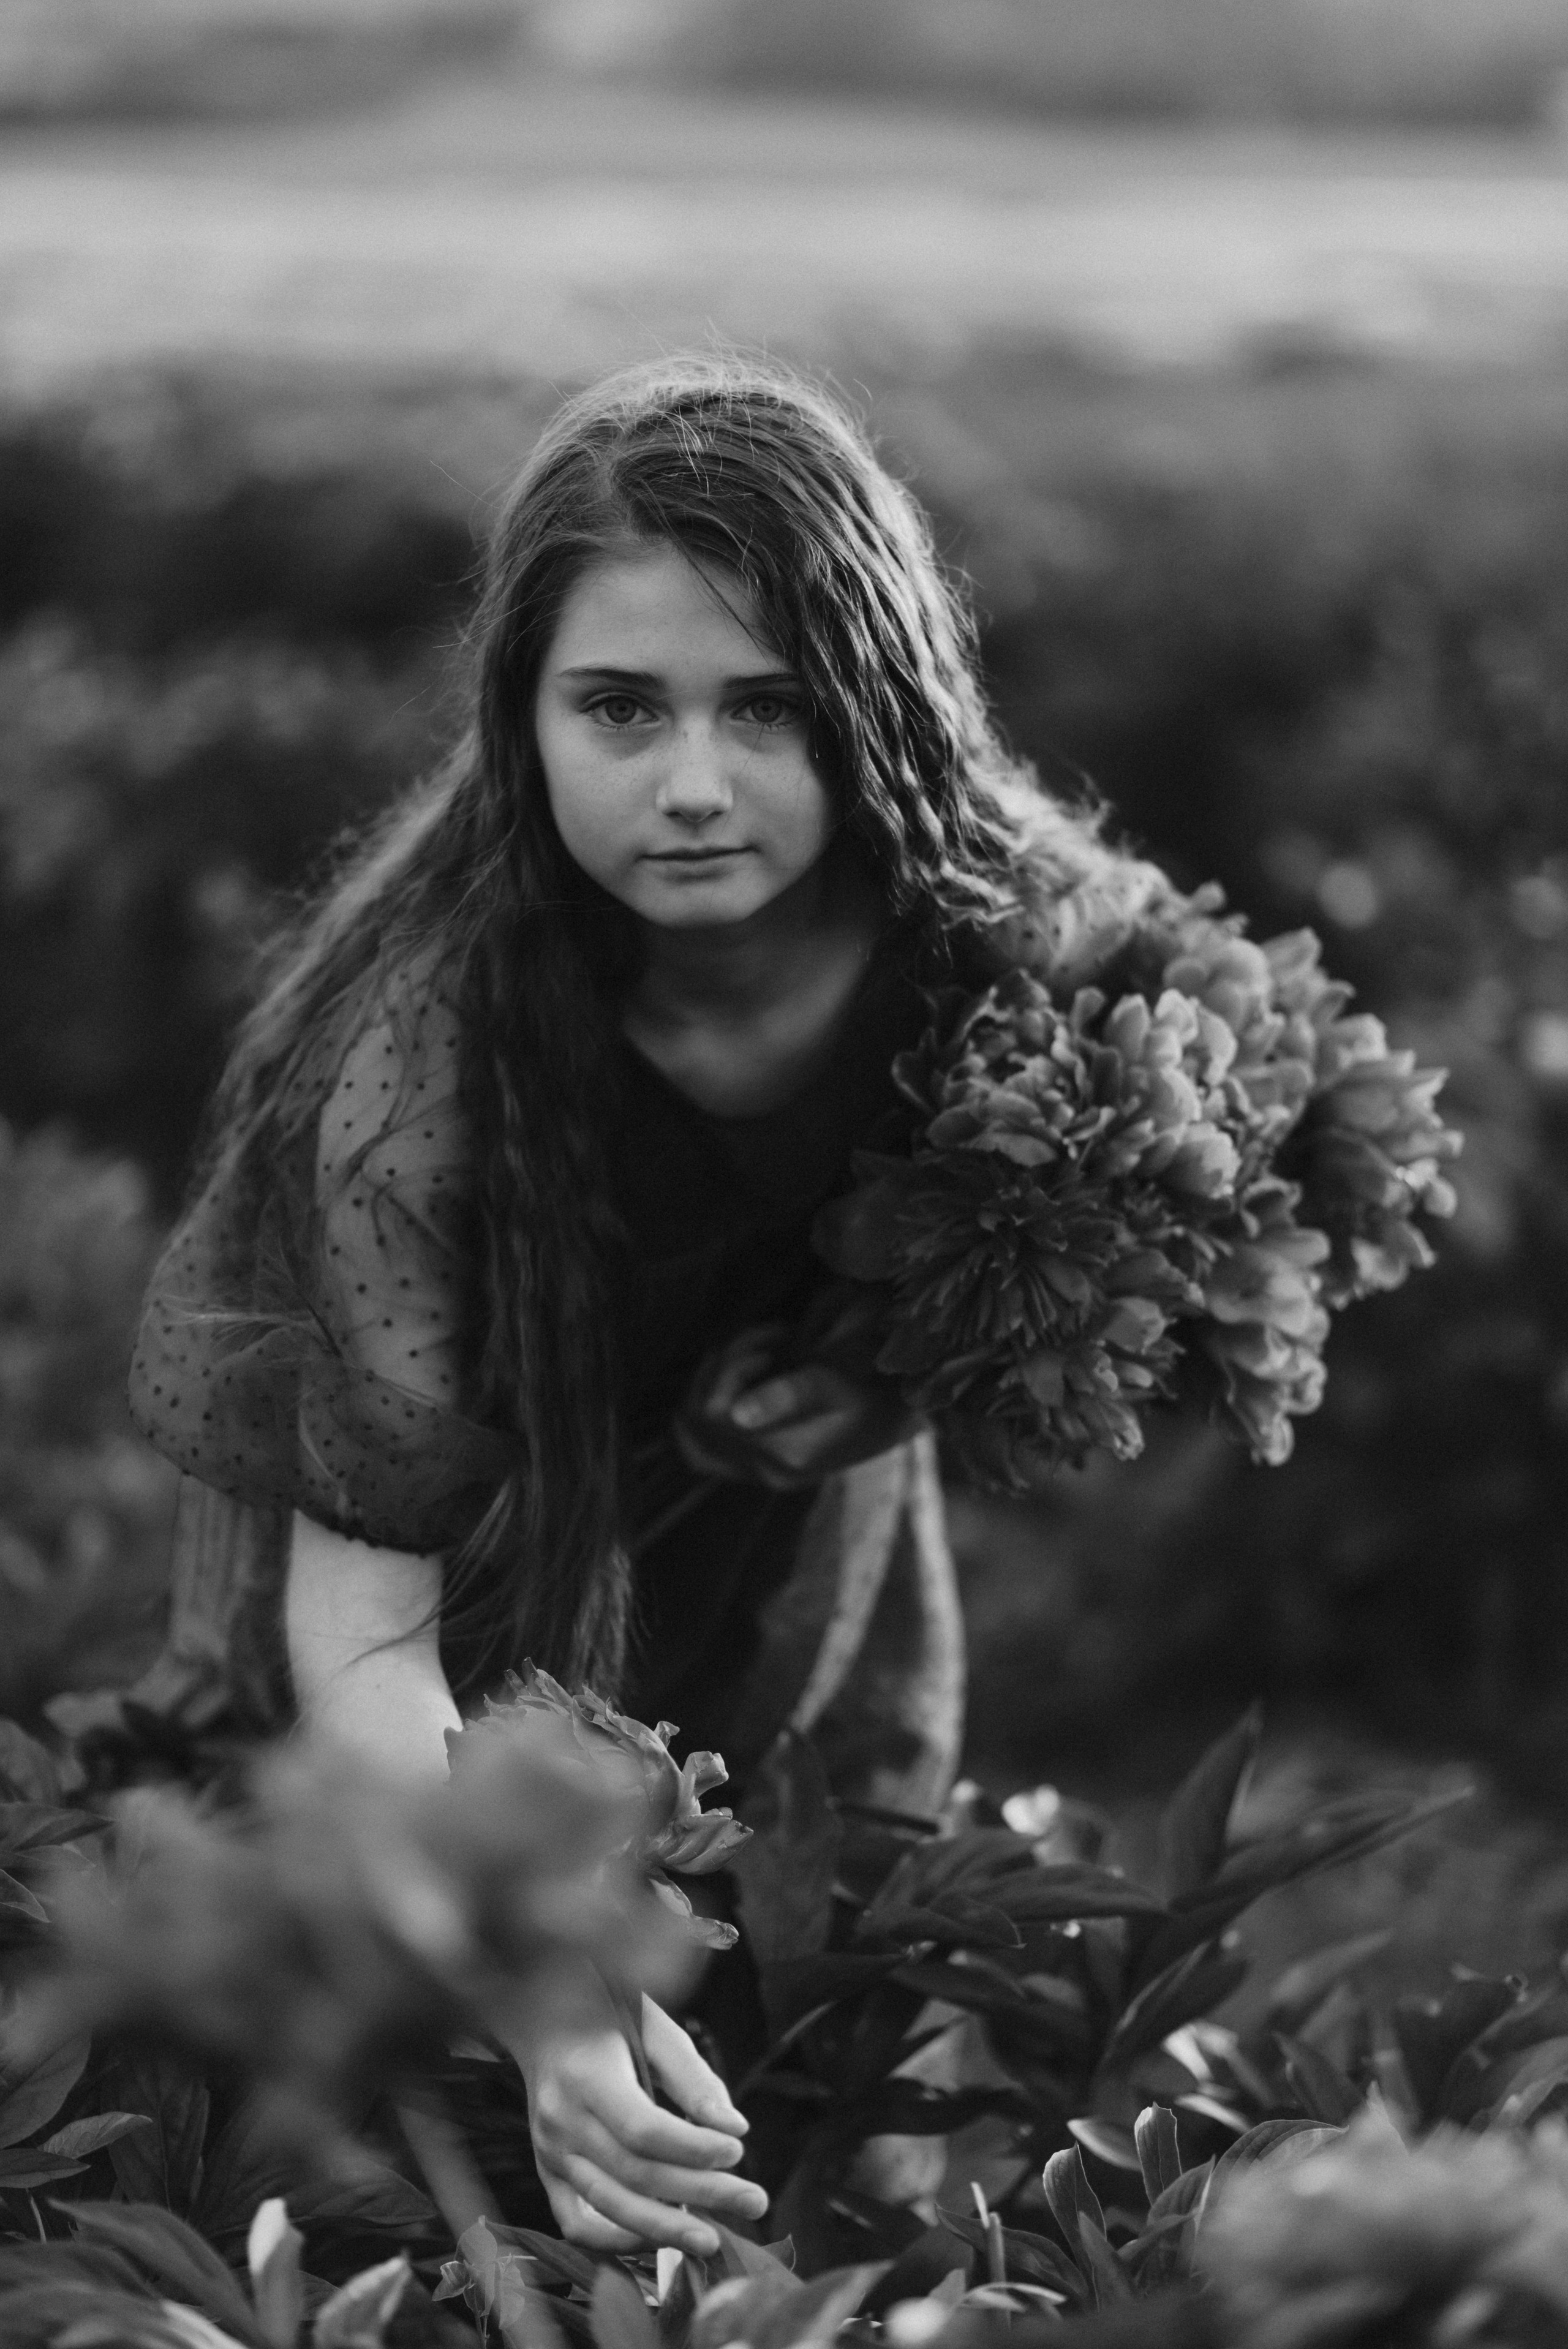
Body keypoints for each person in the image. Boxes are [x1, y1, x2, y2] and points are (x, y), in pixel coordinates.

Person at [126, 353, 1159, 2260]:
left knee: (831, 2095)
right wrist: (534, 1978)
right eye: (621, 706)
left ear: (883, 711)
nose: (695, 784)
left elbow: (1233, 1128)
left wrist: (898, 1366)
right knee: (423, 2178)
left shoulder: (1004, 929)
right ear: (519, 717)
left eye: (771, 708)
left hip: (798, 1578)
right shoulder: (412, 1076)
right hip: (482, 1633)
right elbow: (364, 1644)